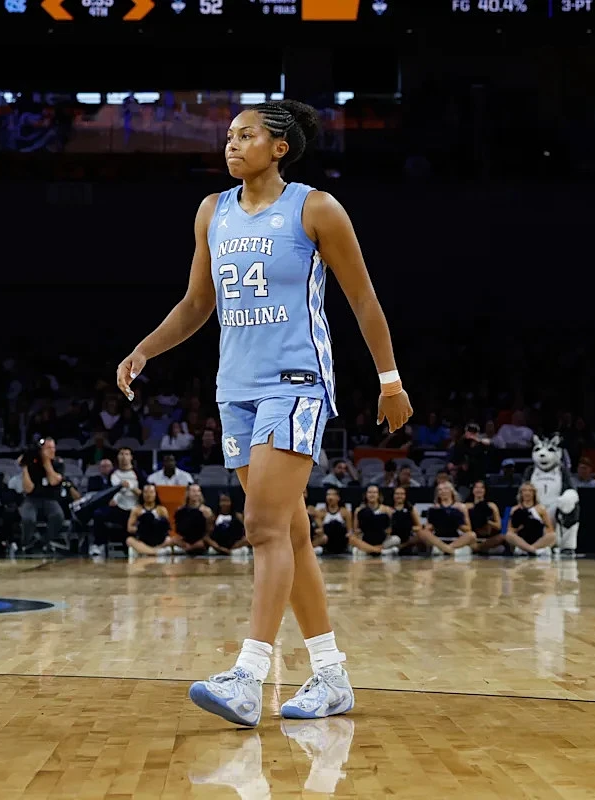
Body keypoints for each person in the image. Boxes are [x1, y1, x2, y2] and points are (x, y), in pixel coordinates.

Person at [115, 99, 412, 727]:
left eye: (245, 135)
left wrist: (389, 379)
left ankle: (250, 675)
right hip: (237, 388)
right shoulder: (211, 212)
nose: (230, 144)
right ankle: (330, 676)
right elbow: (199, 303)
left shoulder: (315, 208)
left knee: (264, 525)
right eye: (228, 136)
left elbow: (362, 298)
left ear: (279, 147)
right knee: (290, 532)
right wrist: (145, 348)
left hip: (297, 381)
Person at [20, 438, 74, 550]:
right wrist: (24, 467)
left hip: (50, 499)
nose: (52, 450)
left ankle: (42, 542)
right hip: (32, 499)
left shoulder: (58, 463)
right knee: (28, 519)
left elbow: (53, 481)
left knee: (58, 516)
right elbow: (28, 489)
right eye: (48, 448)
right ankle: (25, 543)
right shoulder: (33, 464)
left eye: (53, 447)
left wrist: (46, 462)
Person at [505, 482, 557, 556]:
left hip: (537, 539)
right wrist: (519, 528)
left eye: (530, 491)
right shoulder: (514, 509)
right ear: (521, 493)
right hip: (521, 540)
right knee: (508, 535)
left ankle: (529, 549)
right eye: (525, 490)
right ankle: (532, 550)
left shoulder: (541, 508)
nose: (527, 493)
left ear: (534, 493)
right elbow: (509, 529)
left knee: (553, 535)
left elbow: (550, 529)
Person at [124, 484, 176, 556]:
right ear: (142, 494)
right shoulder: (136, 510)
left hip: (159, 539)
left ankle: (149, 551)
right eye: (146, 492)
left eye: (151, 492)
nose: (148, 495)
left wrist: (155, 528)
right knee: (129, 540)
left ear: (155, 494)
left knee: (171, 540)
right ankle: (154, 552)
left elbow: (167, 528)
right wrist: (142, 528)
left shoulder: (162, 509)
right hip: (143, 539)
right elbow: (129, 528)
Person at [349, 485, 399, 557]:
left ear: (379, 495)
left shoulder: (387, 509)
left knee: (396, 539)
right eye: (370, 492)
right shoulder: (359, 510)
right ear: (366, 495)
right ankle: (382, 551)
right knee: (352, 539)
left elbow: (389, 529)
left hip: (382, 539)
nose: (372, 494)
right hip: (365, 539)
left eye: (375, 492)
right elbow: (356, 529)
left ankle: (369, 550)